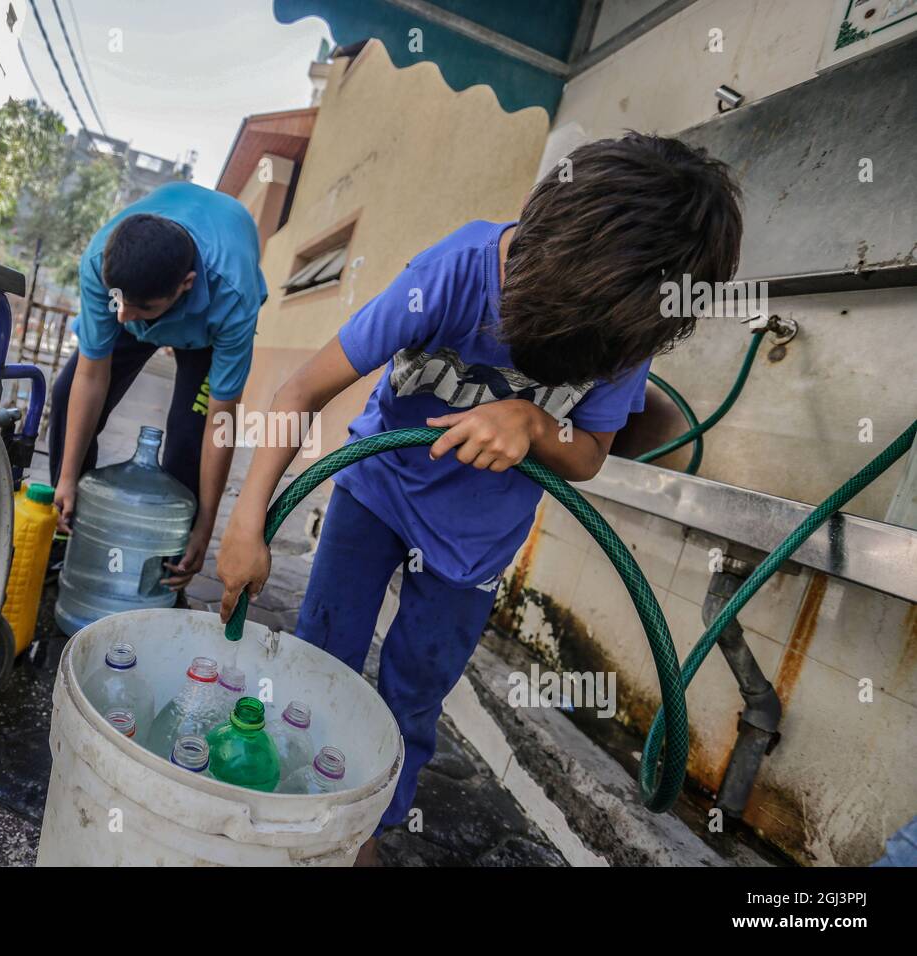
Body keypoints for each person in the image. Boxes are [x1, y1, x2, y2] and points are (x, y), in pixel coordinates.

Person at [215, 133, 743, 864]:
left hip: (477, 541)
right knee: (320, 654)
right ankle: (293, 799)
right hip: (378, 488)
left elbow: (587, 454)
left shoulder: (627, 323)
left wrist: (531, 421)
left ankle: (367, 831)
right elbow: (301, 389)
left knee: (415, 692)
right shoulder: (454, 272)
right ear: (535, 243)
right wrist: (247, 522)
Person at [49, 181, 267, 589]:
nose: (123, 319)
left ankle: (168, 566)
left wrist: (205, 524)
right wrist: (66, 477)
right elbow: (92, 375)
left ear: (185, 284)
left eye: (140, 310)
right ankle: (68, 532)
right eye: (118, 303)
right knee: (65, 396)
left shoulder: (234, 296)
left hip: (204, 329)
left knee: (189, 433)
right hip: (141, 285)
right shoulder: (102, 263)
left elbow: (221, 419)